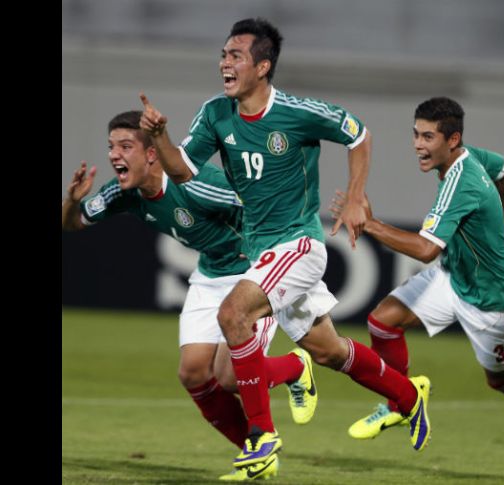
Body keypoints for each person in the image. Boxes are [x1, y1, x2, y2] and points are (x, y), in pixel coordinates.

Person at [138, 17, 431, 481]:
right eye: (223, 55)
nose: (224, 63)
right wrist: (159, 138)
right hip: (262, 253)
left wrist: (355, 198)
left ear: (263, 66)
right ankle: (410, 397)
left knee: (233, 315)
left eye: (235, 56)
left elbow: (358, 132)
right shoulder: (216, 113)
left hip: (298, 242)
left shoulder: (295, 112)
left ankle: (262, 438)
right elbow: (181, 170)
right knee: (330, 352)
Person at [334, 97, 504, 481]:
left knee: (503, 379)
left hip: (492, 300)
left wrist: (369, 223)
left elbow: (426, 249)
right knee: (382, 321)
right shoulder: (472, 157)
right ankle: (402, 402)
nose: (418, 144)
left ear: (453, 139)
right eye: (416, 134)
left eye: (428, 136)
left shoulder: (461, 181)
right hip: (453, 276)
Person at [61, 110, 319, 470]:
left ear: (152, 153)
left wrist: (272, 249)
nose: (114, 155)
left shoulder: (196, 182)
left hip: (250, 274)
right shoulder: (121, 193)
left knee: (229, 377)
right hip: (211, 274)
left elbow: (258, 202)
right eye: (110, 146)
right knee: (193, 373)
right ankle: (255, 451)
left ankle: (294, 367)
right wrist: (72, 200)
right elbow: (71, 223)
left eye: (125, 145)